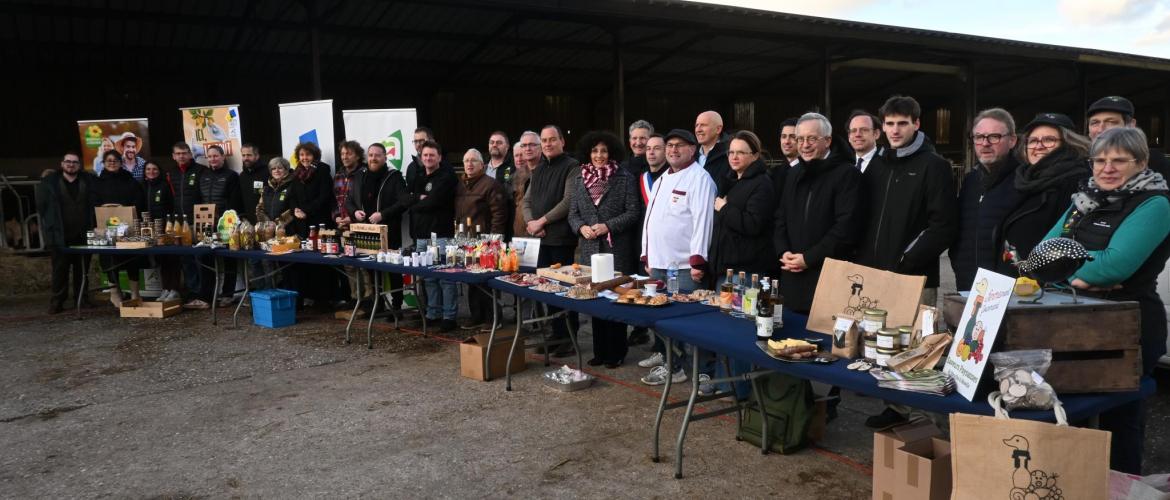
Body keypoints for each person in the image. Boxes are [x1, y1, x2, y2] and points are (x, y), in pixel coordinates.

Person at [1041, 127, 1170, 474]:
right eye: (1099, 160)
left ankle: (1121, 488)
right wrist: (1079, 273)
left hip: (1129, 326)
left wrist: (1080, 269)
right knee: (1072, 415)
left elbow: (1113, 267)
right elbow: (1042, 255)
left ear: (1140, 163)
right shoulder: (1084, 199)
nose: (1107, 168)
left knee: (1120, 420)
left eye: (1119, 160)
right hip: (1075, 320)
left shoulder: (1155, 204)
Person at [858, 95, 957, 430]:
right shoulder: (878, 164)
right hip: (877, 274)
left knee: (917, 349)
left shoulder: (935, 166)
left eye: (903, 123)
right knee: (884, 344)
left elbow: (942, 226)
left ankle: (927, 419)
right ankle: (896, 408)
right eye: (889, 124)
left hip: (914, 277)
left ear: (917, 124)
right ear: (881, 127)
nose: (895, 130)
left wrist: (905, 260)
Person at [639, 129, 716, 386]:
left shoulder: (700, 178)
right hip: (659, 264)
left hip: (685, 266)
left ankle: (702, 370)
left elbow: (703, 221)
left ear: (693, 149)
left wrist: (698, 260)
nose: (673, 150)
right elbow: (650, 221)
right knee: (661, 322)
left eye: (679, 146)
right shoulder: (661, 180)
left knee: (691, 322)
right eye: (669, 145)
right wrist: (646, 255)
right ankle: (674, 366)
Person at [773, 113, 861, 312]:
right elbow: (781, 217)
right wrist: (783, 251)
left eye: (812, 138)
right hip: (791, 273)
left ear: (828, 140)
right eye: (800, 139)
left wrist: (809, 258)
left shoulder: (846, 174)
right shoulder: (793, 174)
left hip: (827, 276)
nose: (805, 145)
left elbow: (846, 227)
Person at [568, 131, 640, 368]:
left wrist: (607, 225)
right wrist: (581, 228)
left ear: (612, 153)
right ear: (588, 153)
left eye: (604, 151)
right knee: (595, 299)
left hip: (616, 248)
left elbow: (632, 213)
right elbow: (573, 214)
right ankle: (600, 351)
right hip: (590, 248)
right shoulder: (579, 178)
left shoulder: (625, 177)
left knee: (615, 299)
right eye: (595, 151)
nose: (599, 155)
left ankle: (617, 352)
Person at [998, 113, 1090, 275]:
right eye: (1033, 141)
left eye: (1048, 140)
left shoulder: (1075, 183)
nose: (1039, 146)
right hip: (1017, 281)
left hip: (1048, 287)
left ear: (1069, 144)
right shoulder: (1023, 180)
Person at [523, 124, 581, 356]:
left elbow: (568, 201)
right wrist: (531, 223)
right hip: (539, 239)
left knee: (564, 290)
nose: (548, 144)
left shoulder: (572, 167)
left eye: (552, 140)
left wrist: (542, 221)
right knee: (547, 290)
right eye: (544, 140)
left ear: (562, 142)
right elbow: (526, 201)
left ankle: (568, 337)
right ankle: (554, 335)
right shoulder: (538, 169)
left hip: (560, 240)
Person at [949, 108, 1022, 290]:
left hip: (1006, 287)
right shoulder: (971, 181)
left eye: (994, 137)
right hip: (968, 282)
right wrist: (959, 262)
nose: (985, 143)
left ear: (1012, 140)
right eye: (979, 137)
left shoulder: (1023, 182)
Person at [708, 130, 776, 289]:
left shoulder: (762, 183)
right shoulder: (732, 181)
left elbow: (753, 224)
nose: (734, 157)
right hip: (725, 269)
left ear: (755, 155)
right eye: (731, 152)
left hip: (744, 273)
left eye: (740, 152)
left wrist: (724, 208)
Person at [405, 140, 458, 332]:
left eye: (432, 155)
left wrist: (416, 202)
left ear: (439, 157)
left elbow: (433, 202)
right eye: (425, 155)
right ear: (421, 157)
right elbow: (406, 198)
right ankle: (432, 314)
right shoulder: (418, 176)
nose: (428, 158)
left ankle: (449, 317)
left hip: (440, 236)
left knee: (445, 277)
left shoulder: (446, 177)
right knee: (428, 278)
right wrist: (416, 200)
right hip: (421, 236)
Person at [348, 143, 408, 310]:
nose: (373, 158)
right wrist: (355, 212)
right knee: (372, 270)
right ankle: (378, 305)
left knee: (393, 270)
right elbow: (349, 200)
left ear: (385, 157)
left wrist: (383, 214)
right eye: (371, 155)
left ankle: (396, 306)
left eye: (377, 155)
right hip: (366, 232)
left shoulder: (394, 176)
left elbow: (404, 202)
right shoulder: (360, 176)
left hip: (390, 232)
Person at [455, 148, 507, 330]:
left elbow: (498, 215)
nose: (469, 164)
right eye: (466, 161)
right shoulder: (461, 185)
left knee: (488, 282)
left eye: (473, 161)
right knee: (472, 281)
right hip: (466, 240)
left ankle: (493, 319)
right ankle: (475, 316)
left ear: (482, 165)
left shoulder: (491, 185)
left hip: (486, 240)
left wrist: (494, 241)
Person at [38, 152, 95, 313]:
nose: (71, 164)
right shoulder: (50, 182)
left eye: (75, 162)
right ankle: (57, 301)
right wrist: (51, 227)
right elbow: (42, 207)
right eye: (68, 161)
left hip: (83, 234)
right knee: (59, 270)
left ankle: (82, 298)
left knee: (82, 270)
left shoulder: (88, 181)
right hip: (60, 235)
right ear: (62, 164)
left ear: (80, 165)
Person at [189, 145, 242, 309]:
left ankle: (227, 295)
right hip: (206, 225)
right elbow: (198, 199)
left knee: (229, 259)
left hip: (225, 225)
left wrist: (225, 220)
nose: (212, 159)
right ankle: (206, 296)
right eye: (210, 156)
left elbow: (234, 201)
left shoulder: (231, 176)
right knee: (205, 257)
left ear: (223, 157)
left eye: (216, 156)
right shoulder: (202, 175)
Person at [92, 150, 146, 307]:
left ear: (121, 163)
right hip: (105, 228)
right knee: (109, 259)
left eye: (115, 160)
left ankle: (135, 292)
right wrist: (104, 209)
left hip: (128, 228)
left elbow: (139, 200)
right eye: (108, 160)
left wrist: (123, 208)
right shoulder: (97, 183)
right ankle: (114, 292)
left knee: (132, 259)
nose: (112, 163)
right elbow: (92, 203)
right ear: (103, 163)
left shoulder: (130, 181)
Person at [290, 141, 338, 309]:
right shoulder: (296, 173)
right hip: (302, 224)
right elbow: (292, 195)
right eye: (302, 155)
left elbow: (324, 197)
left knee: (321, 263)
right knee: (305, 262)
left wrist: (306, 211)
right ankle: (308, 297)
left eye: (308, 155)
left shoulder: (323, 170)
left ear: (315, 155)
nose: (305, 158)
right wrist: (295, 209)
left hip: (320, 222)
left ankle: (324, 299)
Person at [1086, 95, 1170, 178]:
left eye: (1111, 122)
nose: (1101, 129)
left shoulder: (1155, 161)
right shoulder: (1080, 161)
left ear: (1131, 125)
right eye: (1095, 123)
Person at [166, 142, 205, 300]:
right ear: (173, 156)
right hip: (180, 224)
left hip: (198, 222)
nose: (181, 156)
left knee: (200, 258)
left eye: (184, 153)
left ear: (190, 154)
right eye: (178, 153)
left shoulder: (201, 171)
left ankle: (203, 293)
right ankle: (192, 291)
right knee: (186, 259)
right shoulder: (171, 173)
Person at [334, 140, 369, 312]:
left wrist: (353, 219)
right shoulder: (339, 175)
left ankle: (368, 299)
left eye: (349, 153)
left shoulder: (364, 173)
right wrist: (336, 217)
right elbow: (335, 200)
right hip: (341, 225)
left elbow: (364, 201)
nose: (345, 157)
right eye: (342, 154)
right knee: (348, 263)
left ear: (357, 155)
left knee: (363, 263)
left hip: (359, 225)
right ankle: (355, 298)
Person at [142, 161, 180, 301]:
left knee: (171, 258)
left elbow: (172, 205)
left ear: (159, 171)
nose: (151, 171)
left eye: (154, 169)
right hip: (150, 230)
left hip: (166, 228)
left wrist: (170, 224)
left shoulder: (165, 185)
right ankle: (165, 288)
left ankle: (175, 289)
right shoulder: (143, 186)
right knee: (160, 260)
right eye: (148, 169)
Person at [486, 131, 516, 239]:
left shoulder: (513, 168)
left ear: (507, 147)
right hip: (484, 223)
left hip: (506, 223)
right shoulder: (482, 169)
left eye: (499, 142)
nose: (494, 145)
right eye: (492, 142)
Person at [510, 134, 537, 240]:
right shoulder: (511, 179)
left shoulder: (537, 174)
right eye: (516, 156)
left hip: (535, 230)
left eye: (521, 155)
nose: (519, 159)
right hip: (517, 232)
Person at [694, 111, 729, 186]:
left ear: (718, 129)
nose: (698, 130)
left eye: (703, 125)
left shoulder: (730, 154)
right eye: (696, 125)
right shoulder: (690, 155)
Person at [770, 118, 800, 201]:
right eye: (783, 136)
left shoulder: (809, 172)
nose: (787, 141)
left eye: (792, 137)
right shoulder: (773, 173)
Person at [237, 143, 268, 224]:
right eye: (243, 155)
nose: (245, 158)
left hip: (265, 220)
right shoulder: (242, 176)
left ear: (257, 156)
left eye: (249, 155)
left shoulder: (267, 172)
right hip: (248, 221)